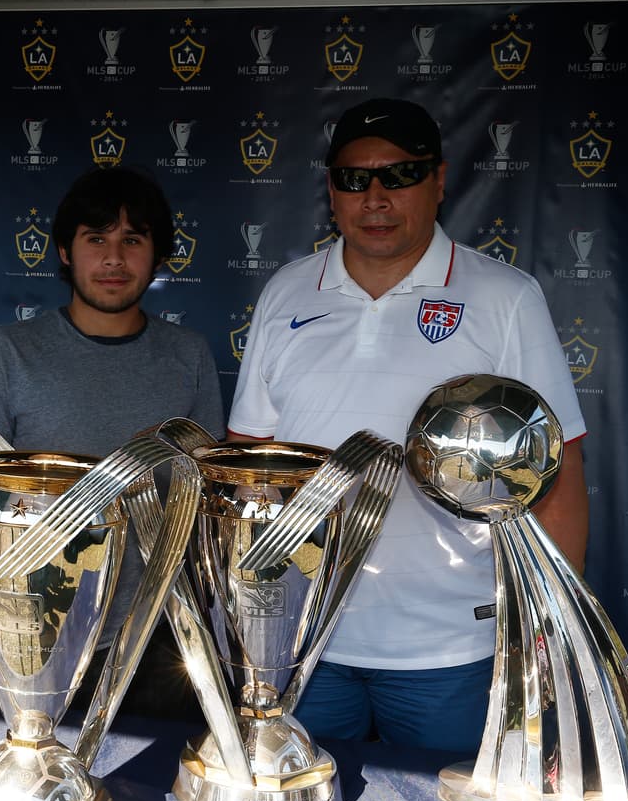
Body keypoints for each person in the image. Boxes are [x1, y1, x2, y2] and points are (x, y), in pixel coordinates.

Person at [228, 98, 588, 753]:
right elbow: (250, 466)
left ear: (440, 180)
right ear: (330, 189)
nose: (374, 196)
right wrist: (252, 622)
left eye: (399, 175)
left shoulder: (505, 297)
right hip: (303, 646)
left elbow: (557, 475)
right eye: (353, 177)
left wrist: (553, 634)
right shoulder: (285, 293)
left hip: (452, 647)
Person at [0, 165, 224, 717]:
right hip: (40, 621)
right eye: (96, 239)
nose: (114, 259)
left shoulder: (189, 355)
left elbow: (205, 498)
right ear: (64, 251)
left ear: (158, 254)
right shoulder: (9, 352)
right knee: (43, 786)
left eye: (133, 240)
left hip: (162, 632)